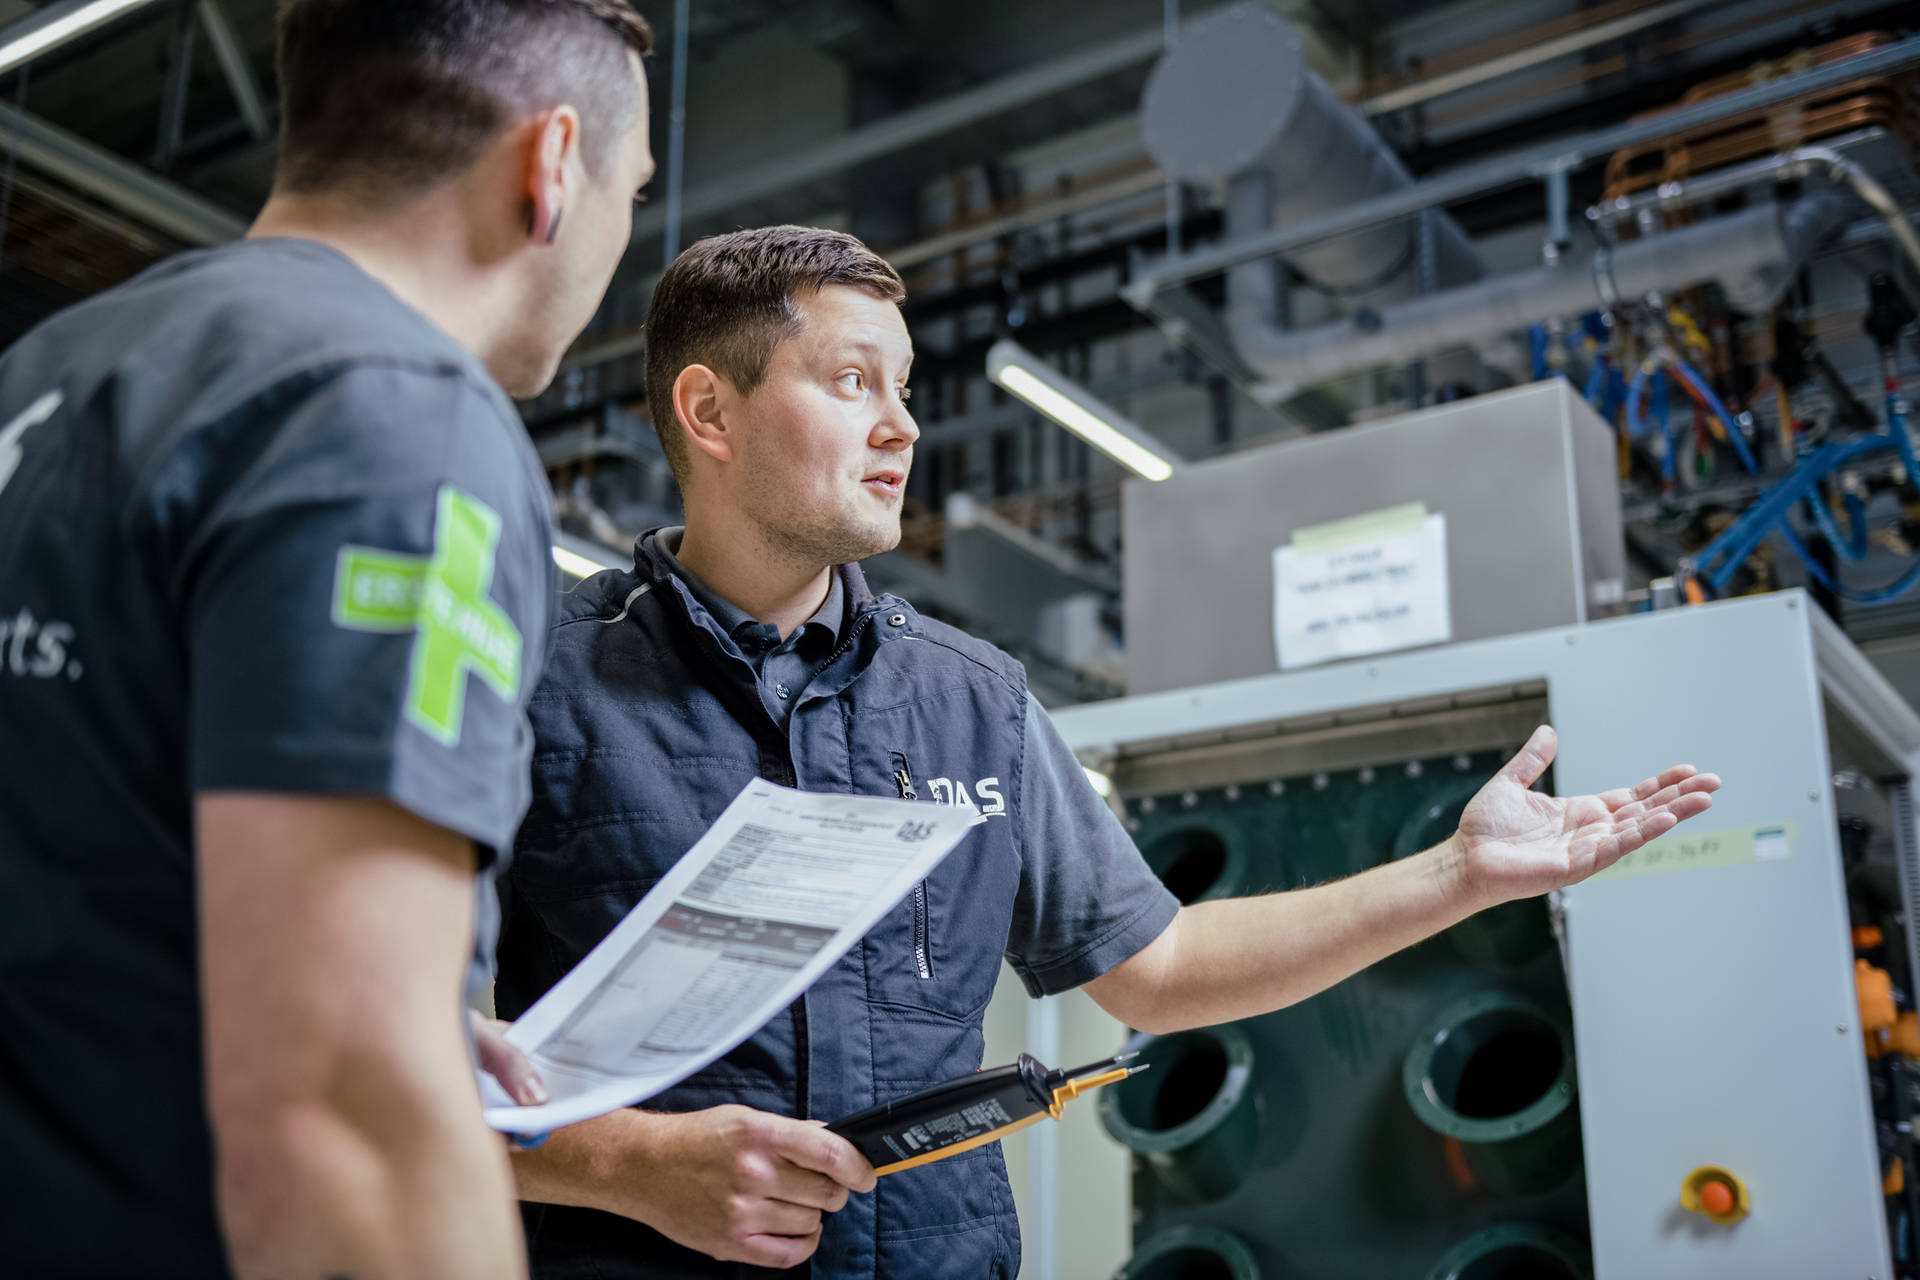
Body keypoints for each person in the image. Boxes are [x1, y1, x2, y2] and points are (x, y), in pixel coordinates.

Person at [496, 225, 1720, 1277]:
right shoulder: (535, 682)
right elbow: (357, 1055)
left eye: (906, 388)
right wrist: (628, 1164)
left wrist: (1456, 875)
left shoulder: (968, 702)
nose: (901, 428)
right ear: (708, 410)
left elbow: (1162, 961)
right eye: (853, 381)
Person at [0, 1, 654, 1276]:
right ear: (550, 167)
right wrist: (381, 1046)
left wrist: (372, 980)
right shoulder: (394, 414)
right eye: (629, 191)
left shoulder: (51, 373)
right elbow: (345, 1122)